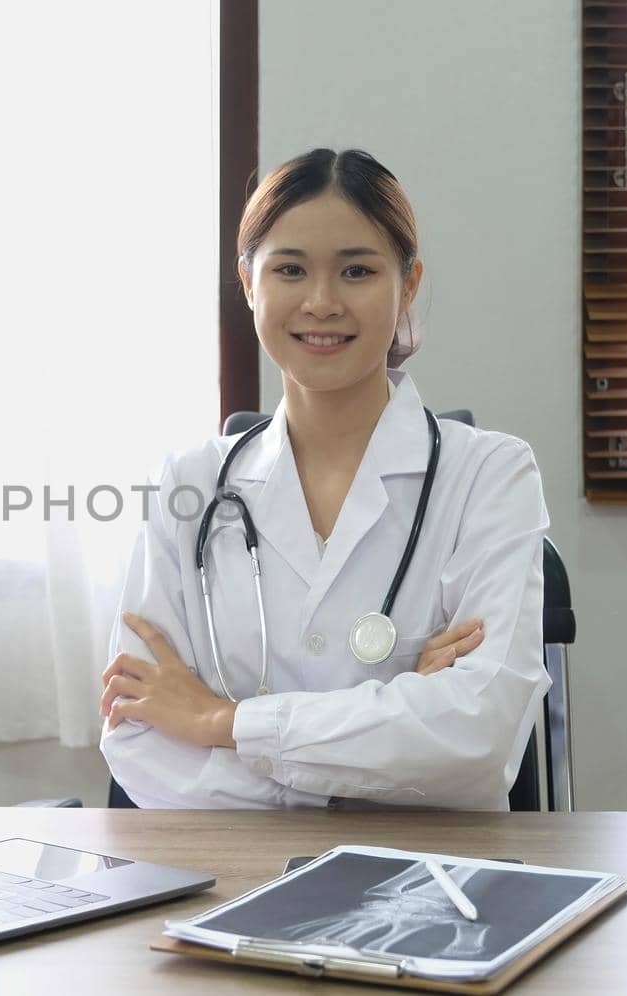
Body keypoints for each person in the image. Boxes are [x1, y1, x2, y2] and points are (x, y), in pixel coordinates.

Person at [98, 148, 549, 810]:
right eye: (289, 269)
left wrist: (220, 723)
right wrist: (394, 739)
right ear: (249, 283)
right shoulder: (185, 483)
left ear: (408, 284)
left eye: (357, 270)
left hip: (424, 888)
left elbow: (477, 734)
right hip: (231, 882)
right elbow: (140, 737)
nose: (322, 302)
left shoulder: (489, 475)